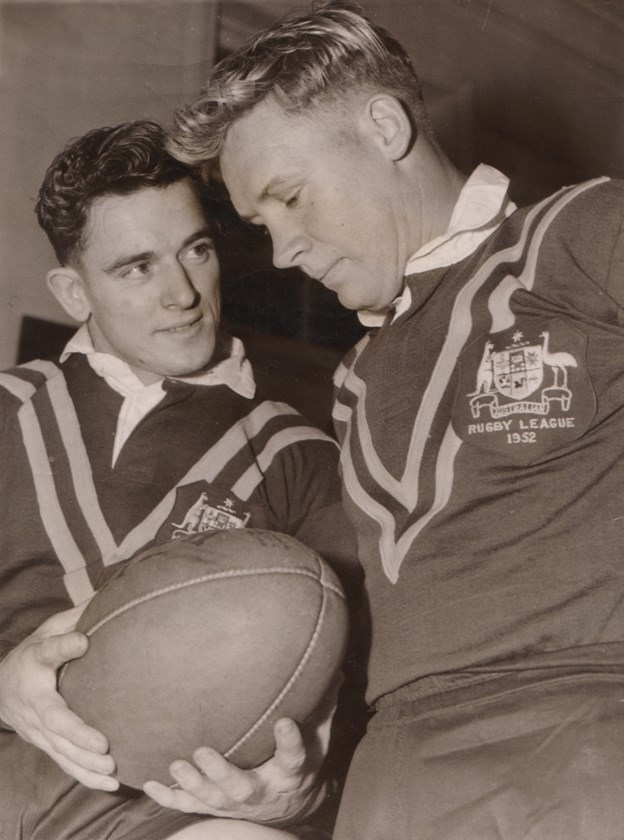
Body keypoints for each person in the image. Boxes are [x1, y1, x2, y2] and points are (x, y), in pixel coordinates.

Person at [167, 3, 624, 838]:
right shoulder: (356, 379)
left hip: (581, 737)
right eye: (264, 226)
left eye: (292, 198)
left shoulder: (580, 235)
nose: (283, 252)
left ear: (383, 126)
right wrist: (302, 788)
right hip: (395, 777)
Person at [0, 119, 360, 840]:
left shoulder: (301, 454)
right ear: (73, 292)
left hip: (175, 816)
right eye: (137, 267)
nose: (183, 295)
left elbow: (346, 707)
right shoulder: (10, 407)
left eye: (195, 251)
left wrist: (296, 791)